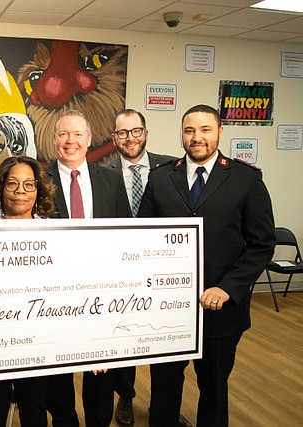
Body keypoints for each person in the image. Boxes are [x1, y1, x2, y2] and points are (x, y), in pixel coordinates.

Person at [139, 104, 275, 427]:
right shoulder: (160, 179)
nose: (196, 137)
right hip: (167, 309)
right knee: (164, 390)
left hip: (220, 310)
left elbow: (261, 245)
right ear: (182, 135)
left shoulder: (246, 180)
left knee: (214, 389)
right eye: (189, 131)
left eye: (205, 130)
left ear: (219, 132)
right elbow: (142, 239)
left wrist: (228, 288)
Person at [45, 110, 131, 427]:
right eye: (64, 134)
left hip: (101, 292)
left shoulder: (110, 179)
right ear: (55, 139)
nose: (71, 141)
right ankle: (64, 421)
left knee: (101, 367)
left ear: (89, 139)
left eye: (78, 134)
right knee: (57, 370)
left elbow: (125, 233)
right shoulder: (39, 180)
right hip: (53, 294)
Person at [107, 109, 191, 427]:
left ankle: (164, 407)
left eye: (136, 131)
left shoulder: (174, 168)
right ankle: (125, 397)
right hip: (121, 273)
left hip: (164, 272)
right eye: (123, 133)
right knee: (123, 342)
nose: (130, 138)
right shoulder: (103, 172)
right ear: (114, 138)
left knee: (165, 344)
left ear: (146, 131)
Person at [0, 155, 56, 427]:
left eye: (29, 185)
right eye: (12, 183)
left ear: (39, 190)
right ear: (1, 186)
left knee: (34, 406)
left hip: (37, 334)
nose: (20, 191)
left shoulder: (53, 228)